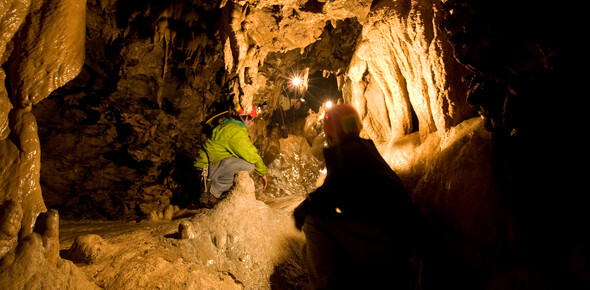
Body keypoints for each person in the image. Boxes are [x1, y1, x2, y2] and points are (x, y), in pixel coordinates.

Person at [293, 104, 423, 289]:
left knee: (314, 222)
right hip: (402, 243)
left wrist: (302, 211)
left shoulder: (349, 153)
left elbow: (327, 195)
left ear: (331, 132)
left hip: (388, 246)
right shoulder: (365, 149)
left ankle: (326, 285)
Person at [194, 104, 268, 204]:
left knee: (240, 161)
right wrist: (262, 172)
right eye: (252, 119)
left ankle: (214, 191)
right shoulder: (236, 131)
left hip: (206, 167)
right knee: (249, 166)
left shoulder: (229, 126)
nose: (253, 123)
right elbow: (250, 155)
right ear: (246, 118)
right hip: (206, 170)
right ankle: (212, 193)